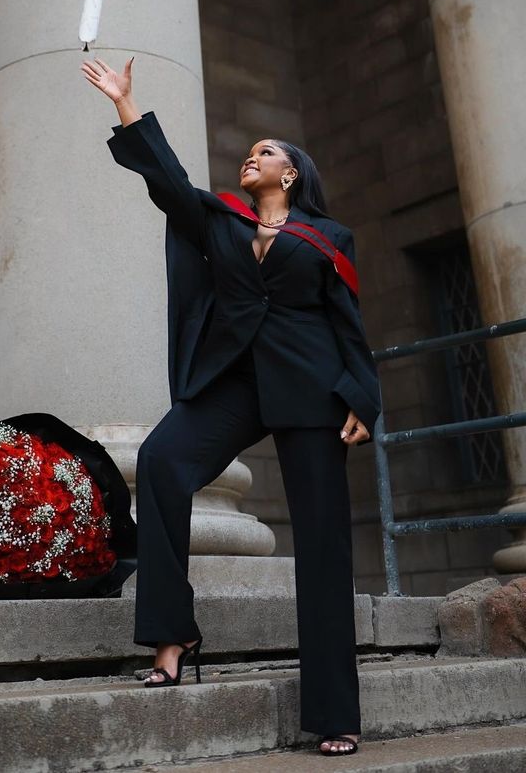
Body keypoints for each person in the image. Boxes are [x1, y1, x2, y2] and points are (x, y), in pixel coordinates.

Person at [81, 56, 382, 757]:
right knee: (161, 460)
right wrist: (128, 106)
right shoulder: (222, 220)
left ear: (293, 174)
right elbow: (169, 185)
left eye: (266, 152)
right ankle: (170, 634)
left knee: (324, 544)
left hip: (313, 389)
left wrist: (362, 397)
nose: (253, 157)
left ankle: (335, 712)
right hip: (234, 381)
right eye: (250, 152)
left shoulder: (327, 238)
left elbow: (349, 324)